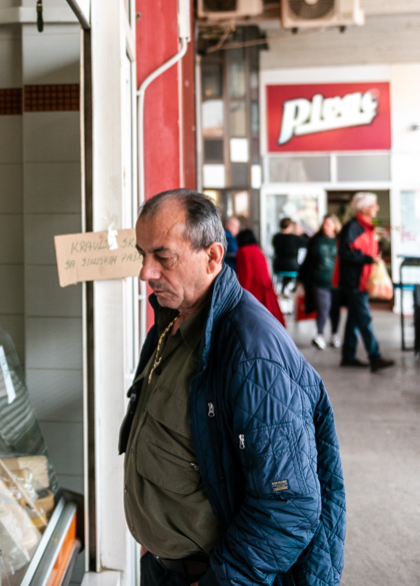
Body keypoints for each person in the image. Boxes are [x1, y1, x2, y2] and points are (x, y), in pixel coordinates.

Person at [123, 189, 345, 586]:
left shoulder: (252, 354)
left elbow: (289, 503)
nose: (146, 273)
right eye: (142, 255)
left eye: (163, 257)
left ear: (212, 257)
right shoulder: (173, 320)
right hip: (166, 566)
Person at [337, 192, 395, 371]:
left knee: (354, 319)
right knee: (364, 318)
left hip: (362, 280)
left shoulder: (366, 227)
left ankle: (348, 356)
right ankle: (375, 357)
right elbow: (345, 253)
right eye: (374, 205)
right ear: (363, 208)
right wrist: (369, 259)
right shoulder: (353, 227)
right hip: (355, 281)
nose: (377, 208)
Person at [298, 215, 342, 350]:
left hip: (336, 281)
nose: (326, 226)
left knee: (335, 309)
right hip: (318, 280)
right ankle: (320, 334)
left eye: (329, 224)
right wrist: (301, 279)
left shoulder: (340, 241)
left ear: (335, 226)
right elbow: (307, 261)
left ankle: (334, 334)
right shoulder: (316, 240)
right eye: (324, 224)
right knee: (323, 307)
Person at [234, 229, 286, 327]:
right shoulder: (258, 249)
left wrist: (241, 294)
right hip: (266, 287)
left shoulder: (243, 251)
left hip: (254, 290)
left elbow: (246, 275)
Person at [271, 218, 305, 295]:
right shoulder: (295, 238)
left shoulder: (276, 237)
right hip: (293, 266)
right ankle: (292, 289)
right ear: (290, 226)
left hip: (278, 266)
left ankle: (284, 287)